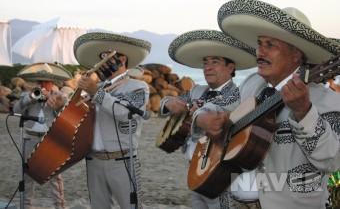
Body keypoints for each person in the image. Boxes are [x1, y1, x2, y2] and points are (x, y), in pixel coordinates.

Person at [207, 0, 340, 209]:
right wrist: (210, 121)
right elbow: (220, 110)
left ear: (296, 54)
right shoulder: (251, 84)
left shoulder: (329, 102)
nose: (260, 51)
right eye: (260, 43)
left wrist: (304, 113)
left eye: (270, 45)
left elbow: (331, 161)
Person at [160, 29, 257, 209]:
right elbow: (169, 104)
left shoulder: (238, 94)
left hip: (219, 172)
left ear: (231, 67)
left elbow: (218, 109)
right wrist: (168, 103)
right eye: (205, 62)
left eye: (215, 62)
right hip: (194, 169)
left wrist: (191, 110)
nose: (207, 67)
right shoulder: (196, 91)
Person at [74, 32, 151, 209]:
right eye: (100, 57)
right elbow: (80, 117)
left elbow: (125, 112)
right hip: (93, 160)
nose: (101, 62)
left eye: (106, 56)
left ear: (122, 59)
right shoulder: (97, 87)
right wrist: (61, 106)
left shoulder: (138, 87)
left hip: (122, 160)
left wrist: (96, 93)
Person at [13, 62, 72, 209]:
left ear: (52, 82)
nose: (44, 84)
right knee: (27, 177)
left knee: (54, 177)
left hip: (50, 139)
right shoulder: (28, 94)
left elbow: (67, 117)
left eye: (47, 81)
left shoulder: (60, 95)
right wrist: (31, 97)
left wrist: (59, 105)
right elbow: (16, 110)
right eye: (41, 81)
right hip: (30, 138)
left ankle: (60, 207)